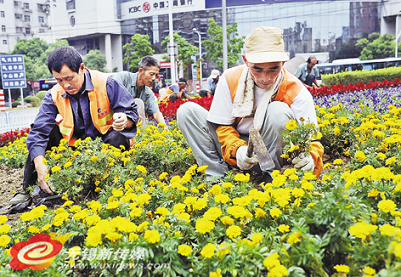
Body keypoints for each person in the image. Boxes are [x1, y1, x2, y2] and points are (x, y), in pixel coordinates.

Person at [177, 26, 323, 182]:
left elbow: (312, 140)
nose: (265, 78)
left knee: (278, 111)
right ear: (245, 60)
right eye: (258, 69)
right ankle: (216, 176)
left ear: (283, 62)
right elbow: (222, 127)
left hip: (271, 150)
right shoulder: (230, 79)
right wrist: (238, 149)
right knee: (187, 111)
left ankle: (270, 177)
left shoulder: (296, 91)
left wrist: (311, 159)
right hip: (237, 150)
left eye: (274, 69)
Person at [5, 47, 138, 211]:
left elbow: (131, 112)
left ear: (82, 68)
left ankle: (110, 184)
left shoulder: (106, 83)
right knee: (42, 137)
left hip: (104, 146)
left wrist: (124, 120)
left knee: (118, 136)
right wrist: (40, 165)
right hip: (73, 149)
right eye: (59, 80)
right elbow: (39, 132)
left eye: (69, 78)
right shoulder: (54, 94)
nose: (66, 85)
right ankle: (28, 189)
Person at [111, 56, 167, 128]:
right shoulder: (123, 78)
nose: (154, 78)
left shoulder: (148, 93)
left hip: (130, 126)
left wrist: (166, 128)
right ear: (141, 71)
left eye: (156, 75)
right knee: (138, 102)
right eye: (152, 74)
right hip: (114, 120)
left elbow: (156, 113)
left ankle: (142, 136)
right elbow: (109, 92)